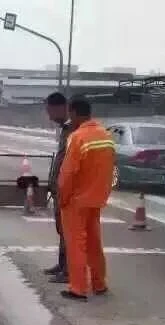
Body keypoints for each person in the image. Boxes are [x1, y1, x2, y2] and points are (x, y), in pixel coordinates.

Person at [57, 96, 115, 301]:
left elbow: (68, 172)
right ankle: (99, 283)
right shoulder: (106, 135)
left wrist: (62, 197)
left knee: (76, 244)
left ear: (73, 113)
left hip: (76, 200)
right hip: (97, 198)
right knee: (94, 242)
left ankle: (78, 288)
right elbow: (110, 170)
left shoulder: (78, 137)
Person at [42, 92, 74, 283]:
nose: (49, 116)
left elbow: (70, 162)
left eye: (49, 111)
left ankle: (69, 269)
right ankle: (62, 264)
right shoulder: (65, 129)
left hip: (68, 190)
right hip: (59, 188)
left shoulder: (74, 129)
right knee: (61, 229)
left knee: (68, 230)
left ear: (60, 108)